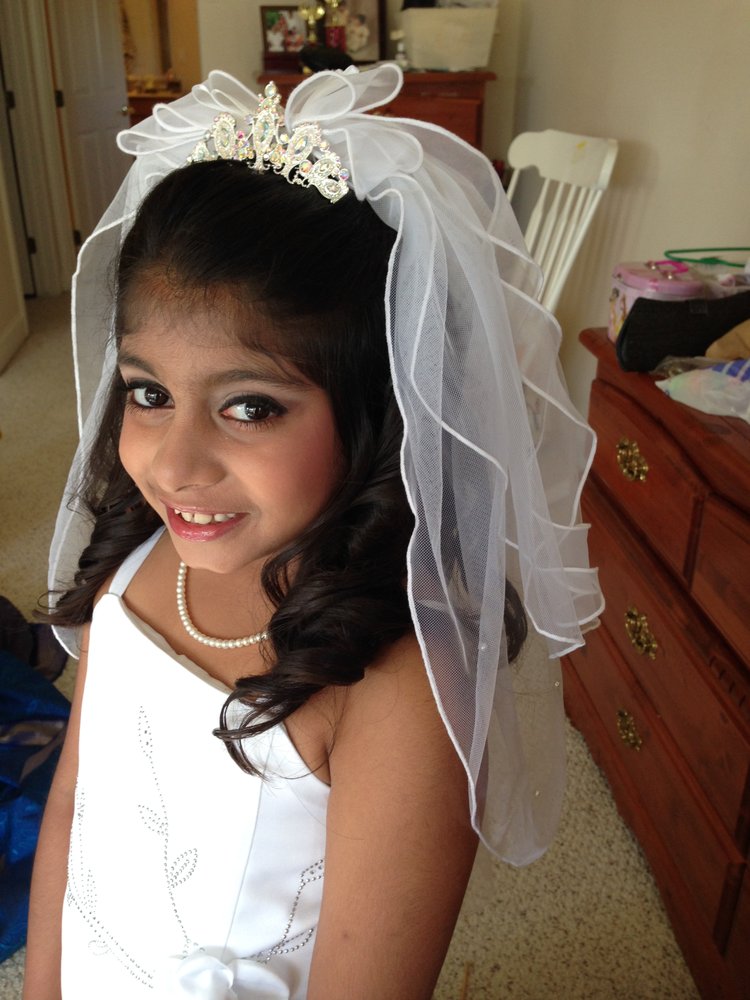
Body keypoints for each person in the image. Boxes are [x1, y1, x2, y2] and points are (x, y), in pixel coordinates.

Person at [23, 66, 602, 999]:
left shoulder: (396, 687)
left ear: (377, 410)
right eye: (149, 393)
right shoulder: (132, 562)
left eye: (250, 407)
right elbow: (72, 812)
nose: (174, 465)